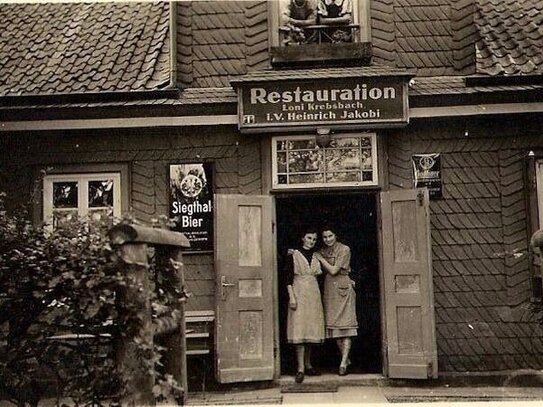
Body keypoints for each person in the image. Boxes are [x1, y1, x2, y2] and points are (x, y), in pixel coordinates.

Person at [315, 225, 357, 376]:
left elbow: (333, 270)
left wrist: (320, 258)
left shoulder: (344, 249)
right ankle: (345, 359)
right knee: (334, 328)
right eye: (325, 237)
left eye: (330, 236)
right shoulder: (321, 250)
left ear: (336, 236)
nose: (327, 240)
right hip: (329, 289)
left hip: (342, 287)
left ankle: (343, 363)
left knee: (346, 326)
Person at [285, 227, 325, 383]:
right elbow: (287, 278)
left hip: (313, 295)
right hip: (299, 292)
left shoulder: (317, 255)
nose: (312, 242)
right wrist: (292, 297)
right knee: (299, 330)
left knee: (310, 330)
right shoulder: (293, 254)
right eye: (309, 238)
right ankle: (300, 368)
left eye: (314, 239)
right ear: (302, 238)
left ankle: (308, 365)